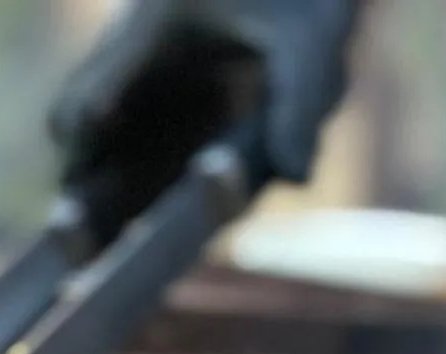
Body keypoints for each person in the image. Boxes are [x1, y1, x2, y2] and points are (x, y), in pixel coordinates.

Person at [48, 0, 363, 249]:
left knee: (201, 95)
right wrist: (291, 147)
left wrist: (84, 100)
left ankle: (97, 206)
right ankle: (97, 205)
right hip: (224, 65)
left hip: (219, 66)